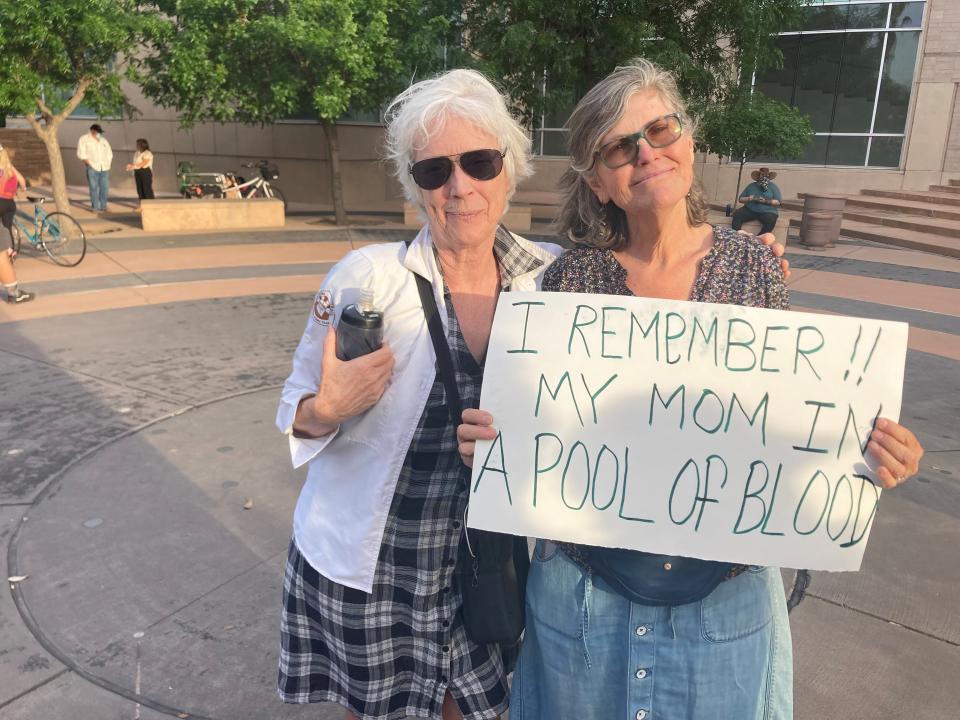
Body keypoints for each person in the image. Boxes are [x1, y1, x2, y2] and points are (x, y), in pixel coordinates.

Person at [276, 68, 786, 720]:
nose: (459, 187)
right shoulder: (366, 280)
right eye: (434, 172)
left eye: (480, 163)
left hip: (489, 568)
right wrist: (327, 410)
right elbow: (298, 407)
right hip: (380, 564)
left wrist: (754, 260)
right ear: (416, 187)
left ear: (508, 170)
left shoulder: (553, 278)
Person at [457, 59, 924, 720]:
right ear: (597, 179)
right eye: (619, 146)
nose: (646, 152)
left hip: (723, 601)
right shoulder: (570, 282)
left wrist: (863, 456)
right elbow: (542, 421)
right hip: (587, 595)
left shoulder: (755, 264)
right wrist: (494, 444)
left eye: (660, 127)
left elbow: (784, 418)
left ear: (689, 138)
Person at [732, 166, 782, 235]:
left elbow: (778, 202)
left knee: (770, 221)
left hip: (768, 211)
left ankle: (759, 239)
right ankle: (738, 235)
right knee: (737, 215)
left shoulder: (773, 187)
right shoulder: (751, 186)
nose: (764, 177)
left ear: (768, 176)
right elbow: (741, 199)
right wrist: (750, 198)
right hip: (750, 209)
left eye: (766, 175)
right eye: (762, 175)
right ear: (759, 176)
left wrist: (765, 201)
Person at [77, 123, 113, 212]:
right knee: (93, 188)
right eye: (97, 132)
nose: (99, 134)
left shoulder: (103, 140)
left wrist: (108, 163)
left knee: (104, 187)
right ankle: (95, 207)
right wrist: (89, 164)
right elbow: (81, 153)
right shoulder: (84, 139)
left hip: (104, 167)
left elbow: (109, 152)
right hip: (92, 167)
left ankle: (103, 206)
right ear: (92, 131)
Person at [0, 144, 26, 250]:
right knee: (7, 229)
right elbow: (22, 181)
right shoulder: (10, 167)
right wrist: (23, 188)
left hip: (0, 201)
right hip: (10, 204)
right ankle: (10, 252)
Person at [125, 138, 155, 206]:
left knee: (146, 189)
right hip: (138, 172)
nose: (137, 145)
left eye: (138, 144)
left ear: (142, 145)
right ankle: (142, 205)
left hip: (145, 171)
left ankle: (150, 205)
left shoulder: (147, 153)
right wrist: (131, 166)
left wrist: (134, 166)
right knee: (139, 189)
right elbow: (136, 162)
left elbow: (144, 163)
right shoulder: (137, 153)